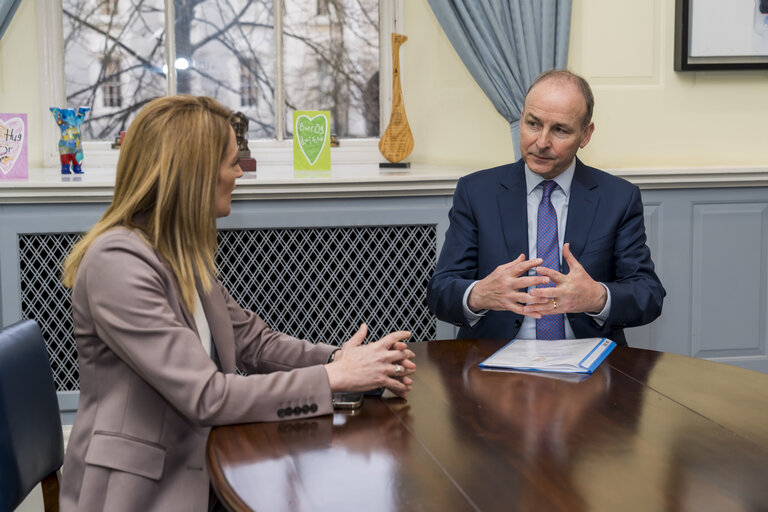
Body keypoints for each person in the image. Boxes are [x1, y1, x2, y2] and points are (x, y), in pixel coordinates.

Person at [58, 95, 415, 512]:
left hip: (206, 465)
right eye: (232, 163)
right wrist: (333, 377)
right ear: (194, 175)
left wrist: (339, 358)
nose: (240, 173)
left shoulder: (183, 252)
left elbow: (254, 344)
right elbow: (207, 396)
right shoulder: (116, 264)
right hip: (142, 492)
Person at [427, 70, 665, 345]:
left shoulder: (618, 197)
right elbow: (440, 291)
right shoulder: (476, 192)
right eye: (533, 124)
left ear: (585, 135)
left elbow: (649, 294)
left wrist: (597, 297)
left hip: (586, 360)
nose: (541, 142)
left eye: (560, 130)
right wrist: (480, 293)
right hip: (494, 360)